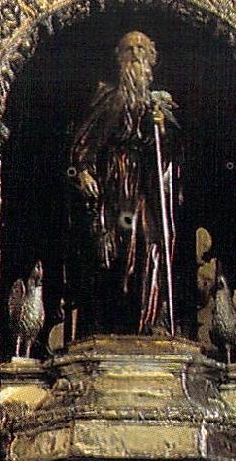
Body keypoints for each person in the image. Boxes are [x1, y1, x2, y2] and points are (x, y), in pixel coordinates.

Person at [68, 30, 181, 337]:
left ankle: (152, 318)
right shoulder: (109, 97)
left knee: (152, 244)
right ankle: (114, 321)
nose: (135, 54)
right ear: (119, 57)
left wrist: (162, 129)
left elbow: (171, 153)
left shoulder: (159, 105)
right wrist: (84, 171)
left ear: (151, 58)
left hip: (148, 187)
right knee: (117, 249)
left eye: (141, 48)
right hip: (115, 185)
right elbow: (86, 142)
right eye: (129, 48)